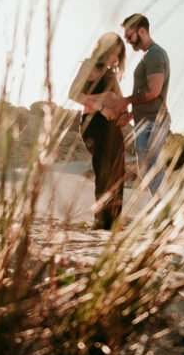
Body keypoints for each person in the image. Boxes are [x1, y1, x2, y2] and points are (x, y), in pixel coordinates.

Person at [67, 32, 130, 230]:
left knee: (118, 169)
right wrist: (102, 107)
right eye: (114, 53)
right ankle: (102, 221)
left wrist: (125, 113)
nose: (116, 59)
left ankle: (114, 222)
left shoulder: (112, 74)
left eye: (119, 55)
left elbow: (120, 100)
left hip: (112, 126)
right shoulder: (89, 65)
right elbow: (74, 93)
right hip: (94, 123)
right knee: (103, 169)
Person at [120, 13, 170, 195]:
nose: (127, 40)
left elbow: (153, 92)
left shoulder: (155, 54)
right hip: (145, 122)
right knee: (146, 170)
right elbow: (148, 95)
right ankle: (166, 212)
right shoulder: (148, 55)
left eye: (129, 35)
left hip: (154, 122)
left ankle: (167, 215)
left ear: (142, 31)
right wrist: (131, 115)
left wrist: (126, 100)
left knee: (153, 170)